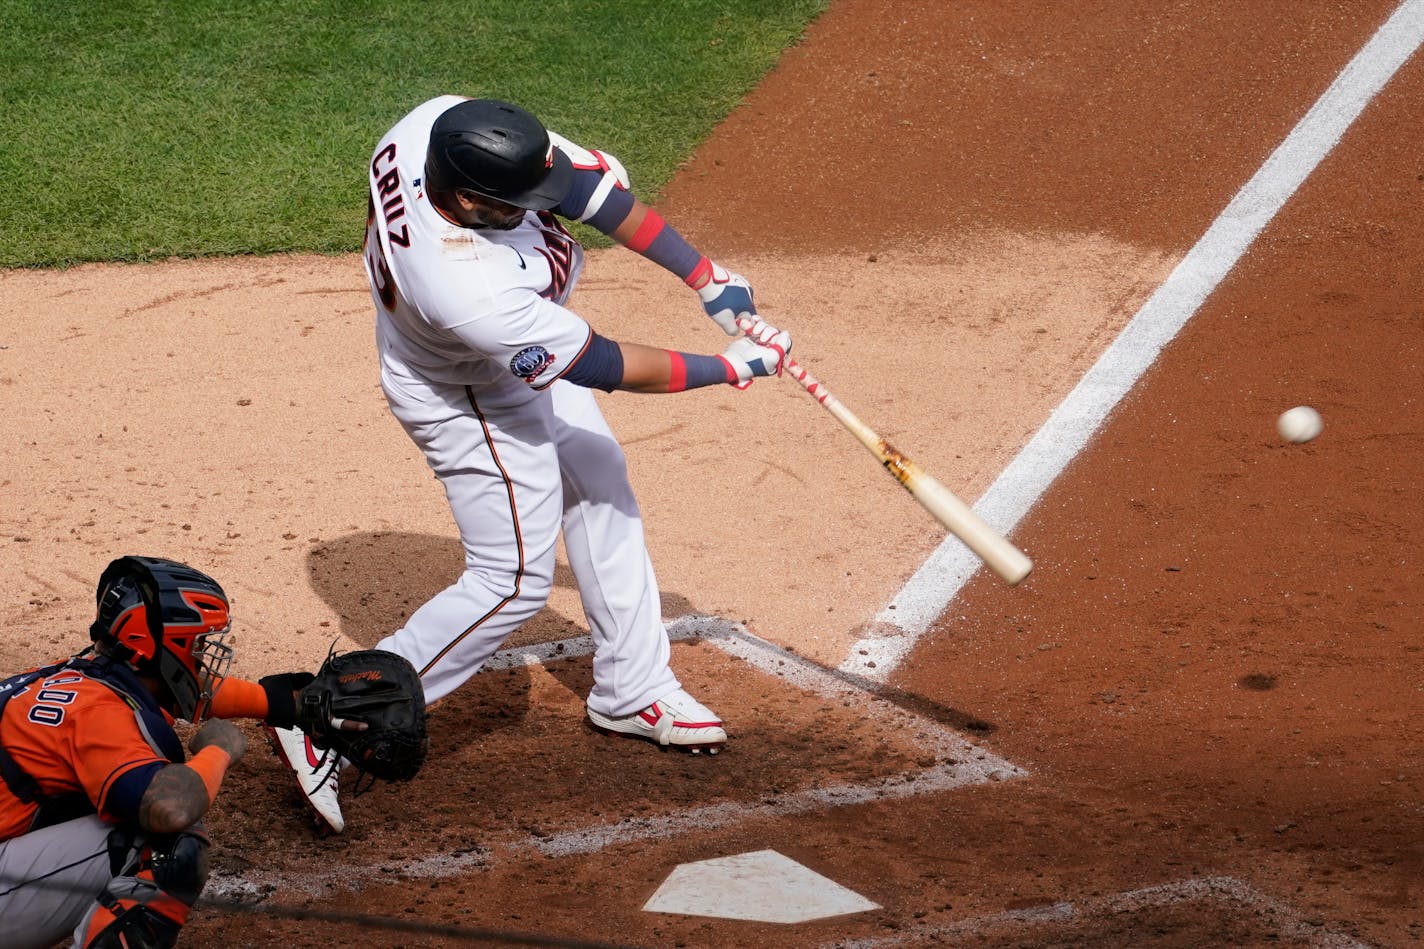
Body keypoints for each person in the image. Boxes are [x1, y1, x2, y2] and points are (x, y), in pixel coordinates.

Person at [267, 96, 791, 834]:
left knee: (599, 478)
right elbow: (605, 364)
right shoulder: (466, 288)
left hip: (505, 358)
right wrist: (731, 368)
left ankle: (631, 685)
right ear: (470, 198)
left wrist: (706, 276)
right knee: (511, 579)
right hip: (471, 390)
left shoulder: (440, 125)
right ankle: (329, 716)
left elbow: (588, 190)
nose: (543, 206)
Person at [0, 556, 325, 948]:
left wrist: (285, 705)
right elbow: (170, 806)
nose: (204, 657)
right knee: (163, 839)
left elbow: (181, 692)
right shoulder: (98, 714)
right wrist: (219, 749)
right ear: (159, 645)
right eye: (198, 644)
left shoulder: (66, 677)